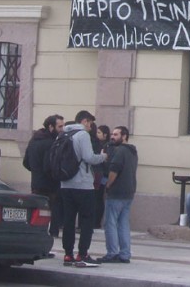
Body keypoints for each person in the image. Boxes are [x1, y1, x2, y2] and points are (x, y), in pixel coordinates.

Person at [60, 111, 106, 268]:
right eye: (91, 123)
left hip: (66, 183)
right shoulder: (82, 135)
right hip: (83, 184)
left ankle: (67, 254)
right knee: (87, 220)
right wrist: (102, 157)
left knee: (68, 220)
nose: (91, 126)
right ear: (85, 121)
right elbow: (88, 157)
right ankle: (83, 253)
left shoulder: (64, 134)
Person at [101, 125, 138, 263]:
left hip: (116, 192)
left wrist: (108, 185)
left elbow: (113, 171)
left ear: (124, 136)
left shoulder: (120, 151)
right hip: (129, 192)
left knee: (110, 223)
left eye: (116, 134)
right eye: (112, 134)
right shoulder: (133, 151)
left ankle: (112, 253)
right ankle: (125, 254)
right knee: (123, 224)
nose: (112, 136)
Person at [22, 114, 64, 237]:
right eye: (60, 126)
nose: (62, 129)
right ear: (51, 127)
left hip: (36, 181)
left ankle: (36, 230)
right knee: (53, 208)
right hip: (50, 183)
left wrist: (36, 171)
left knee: (37, 208)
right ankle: (53, 231)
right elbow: (48, 166)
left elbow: (25, 162)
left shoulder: (34, 140)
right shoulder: (51, 143)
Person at [91, 124, 110, 229]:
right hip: (100, 174)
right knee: (97, 198)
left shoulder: (105, 146)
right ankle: (96, 222)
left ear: (105, 135)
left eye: (99, 132)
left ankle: (97, 222)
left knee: (98, 198)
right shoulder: (99, 144)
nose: (97, 134)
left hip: (102, 175)